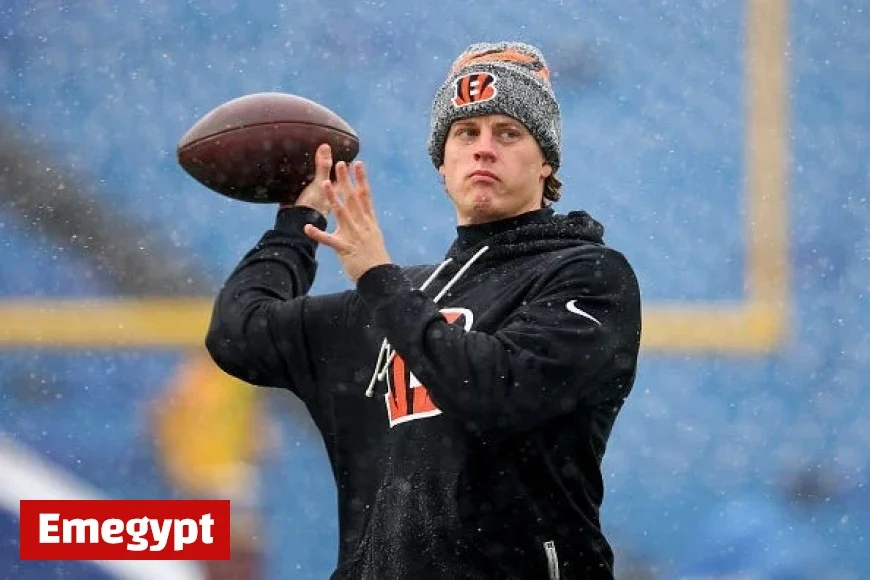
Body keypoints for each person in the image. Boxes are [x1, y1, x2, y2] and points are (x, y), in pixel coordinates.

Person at [205, 41, 642, 580]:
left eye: (508, 133)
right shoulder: (397, 297)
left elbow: (495, 392)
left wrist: (377, 279)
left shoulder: (589, 275)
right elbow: (239, 334)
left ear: (545, 160)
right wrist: (295, 222)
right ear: (442, 162)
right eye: (465, 133)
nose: (484, 149)